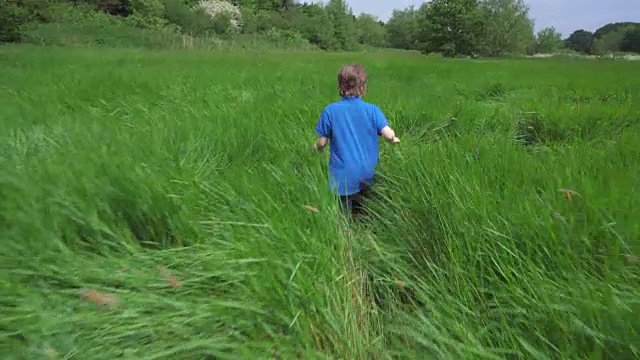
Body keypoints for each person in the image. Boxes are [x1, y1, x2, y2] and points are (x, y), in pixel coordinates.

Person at [312, 64, 400, 220]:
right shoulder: (372, 110)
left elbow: (322, 142)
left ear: (340, 85)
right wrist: (393, 138)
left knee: (344, 217)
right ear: (363, 86)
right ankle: (365, 233)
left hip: (342, 176)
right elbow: (387, 134)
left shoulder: (330, 111)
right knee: (365, 212)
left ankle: (346, 238)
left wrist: (315, 148)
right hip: (368, 173)